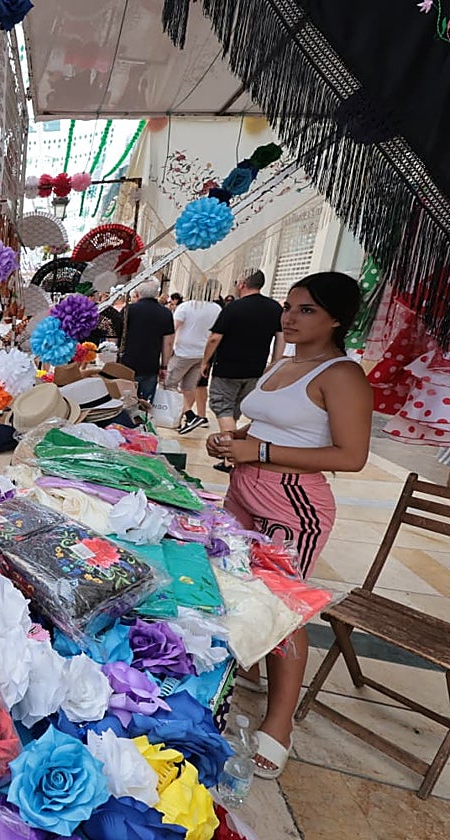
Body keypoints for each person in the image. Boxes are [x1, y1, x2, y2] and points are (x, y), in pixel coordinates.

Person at [206, 272, 370, 781]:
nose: (291, 317)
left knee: (283, 605)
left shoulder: (342, 375)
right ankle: (247, 670)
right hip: (245, 488)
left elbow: (352, 455)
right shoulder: (287, 359)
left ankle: (279, 726)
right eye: (290, 307)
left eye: (307, 311)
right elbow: (275, 424)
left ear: (337, 319)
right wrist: (236, 441)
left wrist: (261, 451)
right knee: (232, 581)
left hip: (293, 502)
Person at [202, 269, 284, 472]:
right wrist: (275, 363)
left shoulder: (234, 308)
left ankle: (232, 457)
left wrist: (205, 362)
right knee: (236, 410)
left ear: (242, 284)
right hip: (256, 369)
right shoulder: (274, 308)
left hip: (228, 368)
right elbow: (280, 337)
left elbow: (214, 338)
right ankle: (234, 454)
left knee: (223, 408)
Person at [165, 294, 222, 434]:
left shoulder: (185, 307)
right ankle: (184, 418)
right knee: (189, 387)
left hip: (183, 353)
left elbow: (172, 329)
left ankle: (189, 415)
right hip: (202, 354)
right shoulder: (217, 308)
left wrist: (168, 351)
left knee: (168, 384)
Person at [118, 281, 175, 402]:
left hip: (128, 362)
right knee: (146, 403)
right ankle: (143, 420)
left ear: (138, 294)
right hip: (151, 364)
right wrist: (164, 366)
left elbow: (117, 335)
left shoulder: (128, 310)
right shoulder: (165, 313)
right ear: (156, 294)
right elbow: (168, 343)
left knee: (127, 401)